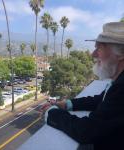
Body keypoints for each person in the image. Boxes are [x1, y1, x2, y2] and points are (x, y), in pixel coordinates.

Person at [41, 21, 124, 150]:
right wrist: (68, 104)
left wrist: (52, 113)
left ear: (121, 54)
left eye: (99, 48)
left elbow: (86, 131)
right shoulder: (118, 83)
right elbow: (101, 100)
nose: (93, 54)